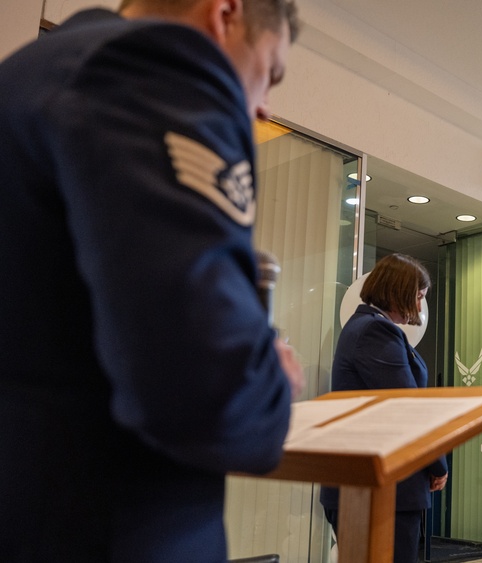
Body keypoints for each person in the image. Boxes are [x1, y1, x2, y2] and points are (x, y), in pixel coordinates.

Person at [0, 1, 303, 561]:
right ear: (225, 14)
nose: (263, 107)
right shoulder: (155, 70)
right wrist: (273, 385)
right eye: (271, 71)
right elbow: (207, 393)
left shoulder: (25, 76)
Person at [319, 254, 447, 563]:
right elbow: (406, 405)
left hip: (375, 488)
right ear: (398, 289)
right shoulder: (375, 331)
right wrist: (438, 464)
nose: (419, 308)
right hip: (380, 489)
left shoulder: (364, 327)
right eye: (418, 297)